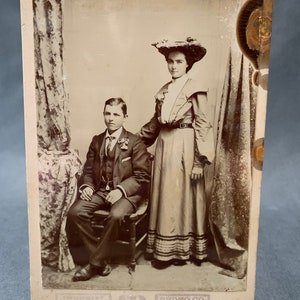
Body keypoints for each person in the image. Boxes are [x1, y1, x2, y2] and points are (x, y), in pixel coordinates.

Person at [138, 37, 215, 268]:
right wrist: (133, 140)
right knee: (165, 195)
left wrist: (199, 162)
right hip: (164, 144)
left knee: (181, 197)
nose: (173, 66)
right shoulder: (163, 91)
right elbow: (154, 123)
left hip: (185, 145)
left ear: (187, 63)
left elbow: (202, 124)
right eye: (170, 61)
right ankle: (164, 251)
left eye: (179, 61)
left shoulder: (195, 88)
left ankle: (183, 251)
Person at [68, 97, 151, 281]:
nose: (111, 118)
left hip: (127, 194)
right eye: (107, 113)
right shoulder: (97, 140)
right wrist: (88, 186)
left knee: (115, 215)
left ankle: (94, 263)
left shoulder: (135, 142)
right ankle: (101, 260)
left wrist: (121, 190)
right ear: (103, 114)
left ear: (125, 117)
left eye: (116, 114)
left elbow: (142, 176)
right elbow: (88, 169)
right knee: (75, 212)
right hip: (101, 191)